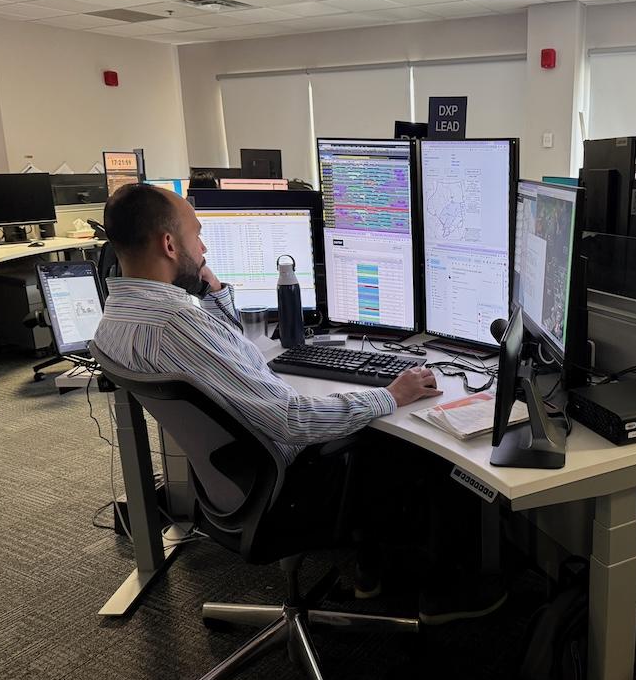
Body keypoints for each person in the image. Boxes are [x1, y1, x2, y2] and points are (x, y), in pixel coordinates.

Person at [93, 184, 504, 622]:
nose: (204, 246)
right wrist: (389, 393)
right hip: (286, 485)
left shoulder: (113, 323)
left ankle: (371, 573)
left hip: (232, 481)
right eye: (197, 235)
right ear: (170, 244)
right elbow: (292, 420)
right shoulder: (179, 324)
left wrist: (212, 290)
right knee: (421, 441)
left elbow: (224, 352)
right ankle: (450, 593)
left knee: (384, 422)